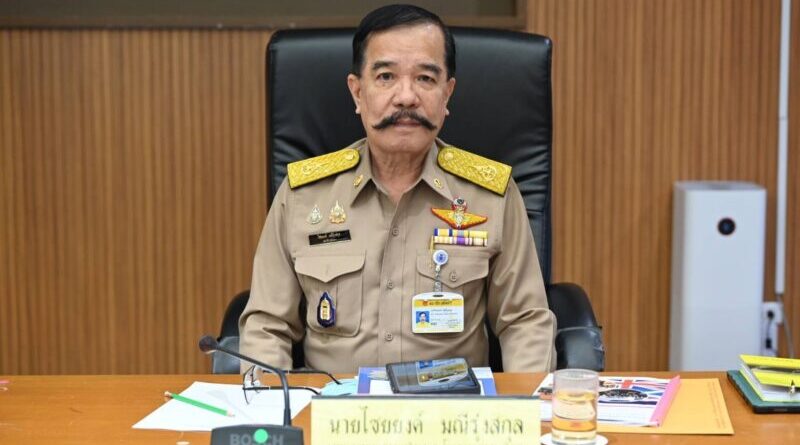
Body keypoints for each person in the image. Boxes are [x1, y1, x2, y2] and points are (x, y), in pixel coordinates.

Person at [239, 4, 556, 374]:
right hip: (334, 406)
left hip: (450, 406)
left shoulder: (491, 196)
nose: (406, 97)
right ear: (357, 92)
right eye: (386, 77)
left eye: (425, 78)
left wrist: (525, 403)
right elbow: (267, 325)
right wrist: (271, 402)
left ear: (447, 94)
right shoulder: (303, 196)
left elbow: (525, 322)